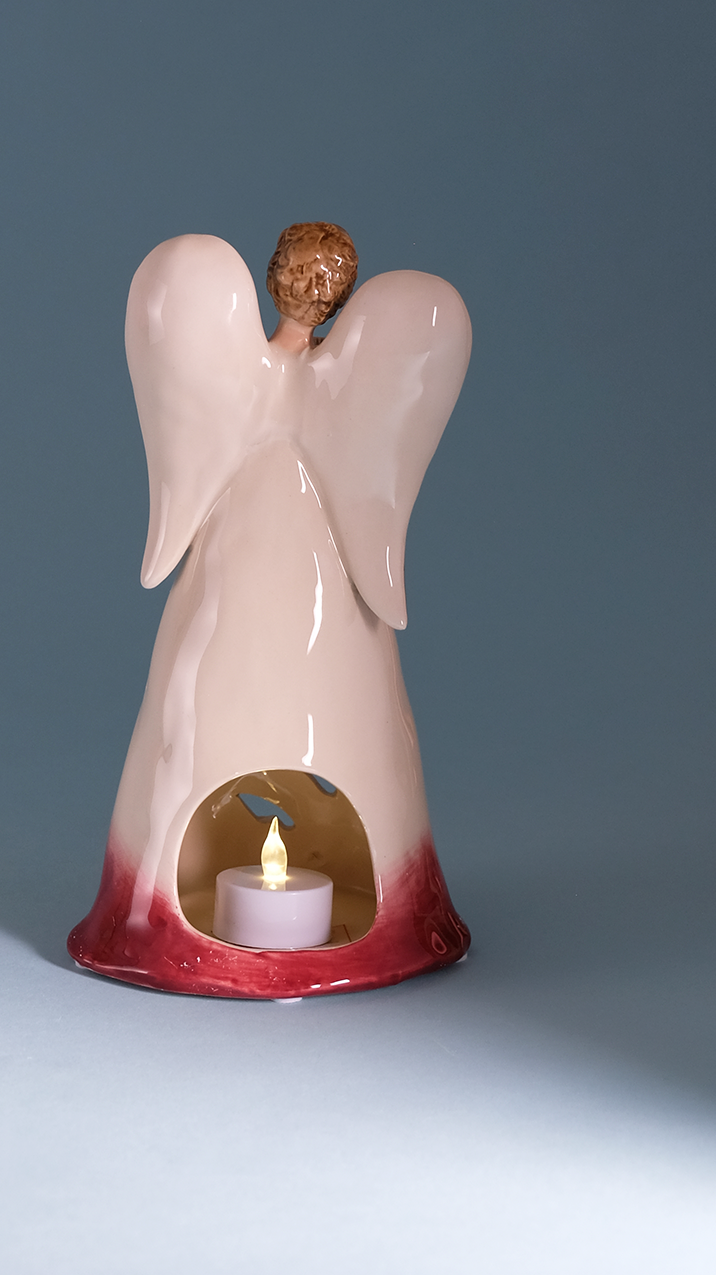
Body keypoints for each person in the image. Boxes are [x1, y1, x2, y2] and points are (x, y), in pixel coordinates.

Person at [69, 222, 473, 997]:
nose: (312, 293)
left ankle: (165, 909)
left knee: (220, 710)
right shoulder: (331, 385)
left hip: (254, 572)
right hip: (297, 572)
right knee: (267, 713)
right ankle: (364, 913)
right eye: (313, 281)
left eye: (314, 281)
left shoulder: (239, 372)